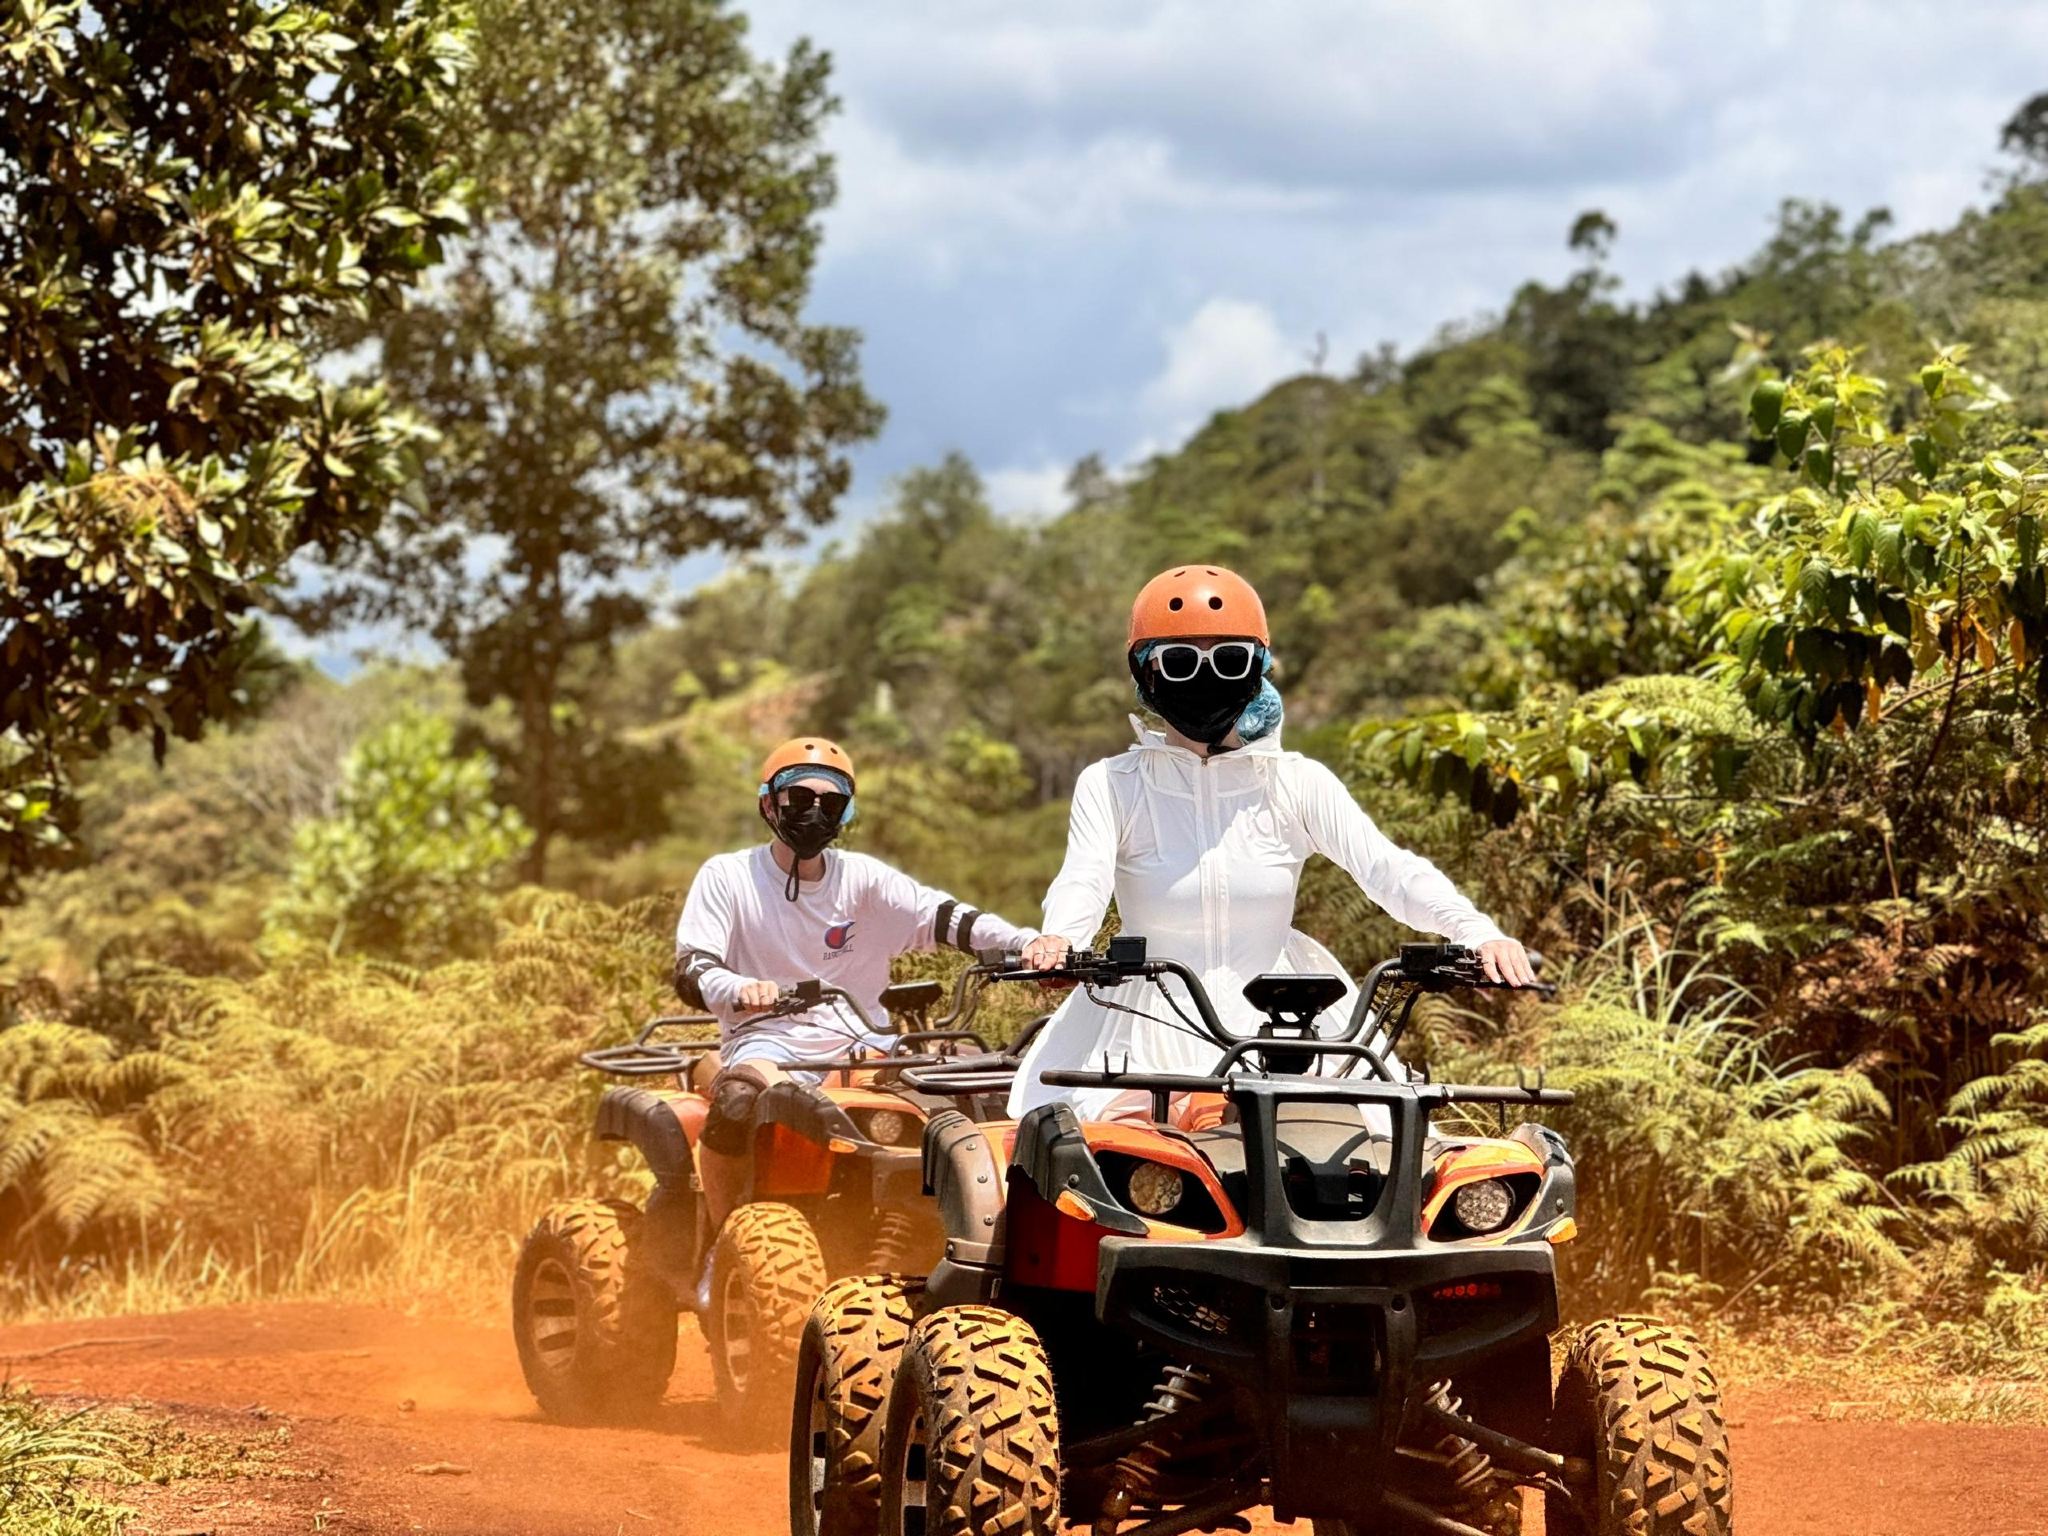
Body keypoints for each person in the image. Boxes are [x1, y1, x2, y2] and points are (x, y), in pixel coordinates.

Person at [1011, 565, 1535, 1120]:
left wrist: (1477, 933)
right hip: (1146, 1027)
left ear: (1257, 668)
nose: (1206, 677)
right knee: (1092, 1164)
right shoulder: (1114, 784)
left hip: (1284, 1025)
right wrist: (1060, 939)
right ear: (1146, 674)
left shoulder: (1295, 781)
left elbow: (1387, 869)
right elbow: (1083, 878)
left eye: (1230, 659)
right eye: (1181, 661)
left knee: (1384, 1155)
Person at [674, 736, 1037, 1228]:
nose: (814, 812)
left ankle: (963, 1231)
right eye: (800, 799)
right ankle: (722, 1239)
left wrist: (1028, 943)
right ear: (769, 803)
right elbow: (694, 967)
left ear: (846, 813)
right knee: (738, 1104)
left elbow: (946, 916)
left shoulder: (863, 879)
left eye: (832, 803)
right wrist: (740, 988)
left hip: (868, 1046)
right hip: (768, 1043)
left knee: (977, 1089)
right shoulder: (729, 876)